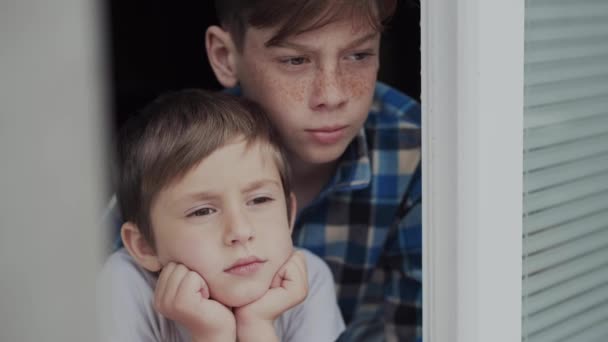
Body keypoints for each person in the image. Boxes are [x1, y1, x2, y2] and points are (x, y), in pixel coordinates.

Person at [205, 1, 422, 340]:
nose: (332, 95)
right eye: (295, 60)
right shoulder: (175, 160)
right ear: (225, 56)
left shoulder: (420, 154)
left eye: (358, 56)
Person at [98, 90, 345, 342]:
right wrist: (210, 335)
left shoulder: (308, 280)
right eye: (202, 211)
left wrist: (257, 326)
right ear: (145, 246)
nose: (240, 231)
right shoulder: (124, 286)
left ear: (289, 216)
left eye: (259, 200)